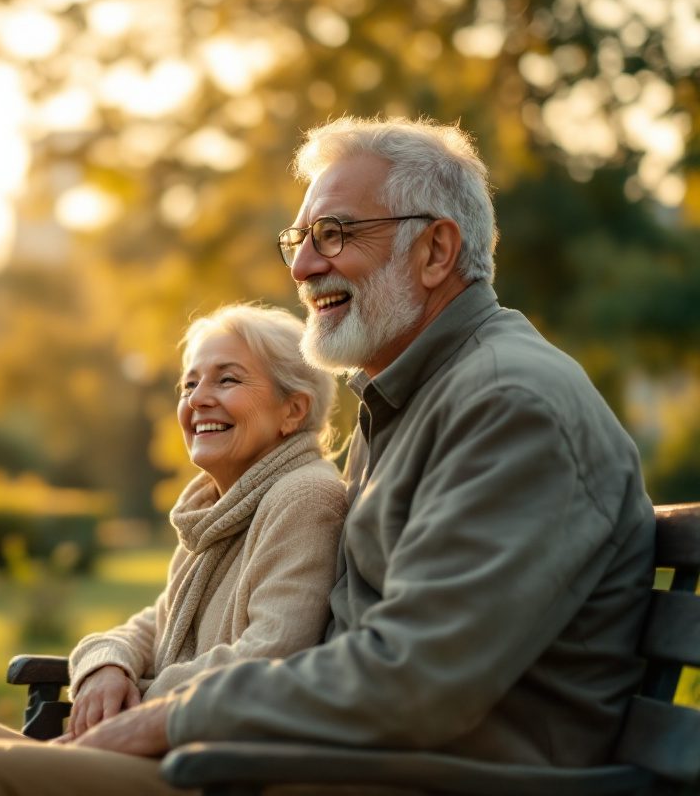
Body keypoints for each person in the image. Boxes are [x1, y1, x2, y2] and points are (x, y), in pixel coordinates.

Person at [65, 116, 656, 777]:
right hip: (323, 761)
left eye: (335, 234)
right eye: (300, 238)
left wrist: (168, 716)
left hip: (429, 780)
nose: (301, 265)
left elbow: (416, 677)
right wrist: (119, 667)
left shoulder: (508, 405)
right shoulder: (407, 400)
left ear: (435, 251)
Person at [0, 303, 348, 796]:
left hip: (210, 770)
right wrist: (107, 664)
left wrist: (141, 705)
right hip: (162, 748)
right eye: (189, 383)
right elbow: (153, 626)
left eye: (227, 380)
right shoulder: (217, 509)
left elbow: (273, 657)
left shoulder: (303, 495)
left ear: (293, 409)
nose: (198, 399)